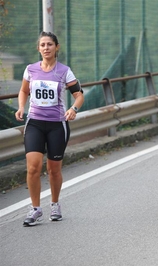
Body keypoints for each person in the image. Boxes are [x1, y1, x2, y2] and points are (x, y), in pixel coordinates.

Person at [15, 32, 84, 226]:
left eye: (50, 45)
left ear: (56, 47)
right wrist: (21, 106)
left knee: (53, 170)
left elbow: (79, 95)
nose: (46, 48)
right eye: (43, 45)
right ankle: (35, 209)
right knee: (33, 167)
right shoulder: (30, 70)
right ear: (38, 48)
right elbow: (23, 90)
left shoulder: (64, 71)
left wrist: (73, 108)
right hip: (35, 123)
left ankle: (55, 204)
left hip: (57, 125)